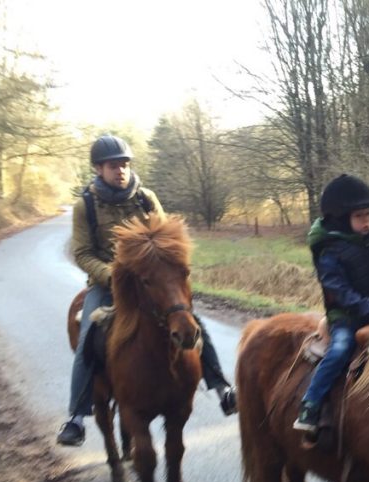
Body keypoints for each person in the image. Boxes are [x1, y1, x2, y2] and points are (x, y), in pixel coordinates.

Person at [56, 135, 236, 447]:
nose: (121, 171)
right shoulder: (85, 206)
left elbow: (167, 241)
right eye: (114, 166)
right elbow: (83, 252)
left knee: (191, 322)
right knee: (87, 335)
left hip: (150, 285)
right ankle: (77, 417)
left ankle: (221, 387)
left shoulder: (146, 198)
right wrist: (111, 275)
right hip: (107, 285)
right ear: (99, 169)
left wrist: (165, 271)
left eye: (124, 164)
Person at [293, 174, 369, 435]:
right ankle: (311, 403)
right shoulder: (329, 252)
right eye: (359, 216)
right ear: (342, 219)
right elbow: (339, 291)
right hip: (346, 318)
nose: (367, 221)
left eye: (368, 215)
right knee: (340, 350)